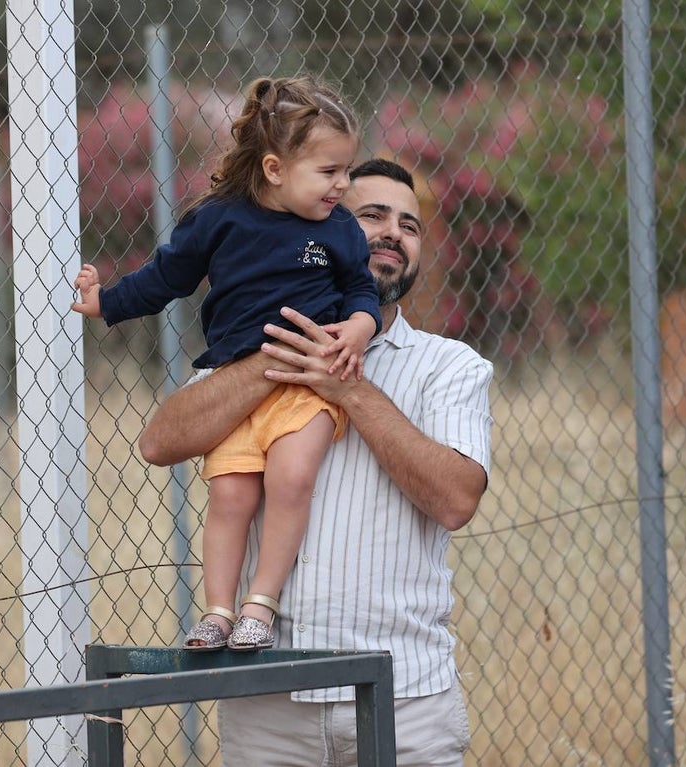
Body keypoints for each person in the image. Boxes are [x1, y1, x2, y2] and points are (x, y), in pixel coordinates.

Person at [137, 158, 494, 766]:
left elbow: (456, 500)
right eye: (372, 215)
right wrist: (277, 357)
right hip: (268, 700)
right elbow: (160, 441)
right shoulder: (253, 345)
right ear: (320, 229)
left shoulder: (450, 367)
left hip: (403, 696)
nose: (392, 234)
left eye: (410, 226)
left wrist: (350, 388)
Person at [72, 75, 382, 652]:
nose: (344, 185)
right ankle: (217, 611)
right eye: (329, 171)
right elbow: (167, 278)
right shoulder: (218, 219)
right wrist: (105, 302)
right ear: (273, 169)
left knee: (291, 479)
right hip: (232, 389)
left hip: (304, 387)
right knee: (232, 497)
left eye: (347, 170)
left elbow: (361, 289)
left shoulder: (338, 228)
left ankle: (259, 605)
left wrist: (362, 326)